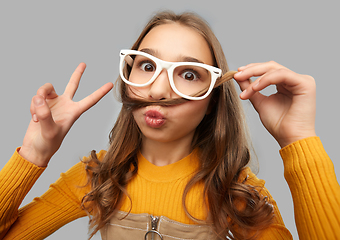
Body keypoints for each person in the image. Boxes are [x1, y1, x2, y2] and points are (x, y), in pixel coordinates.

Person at [0, 10, 339, 240]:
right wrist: (33, 153)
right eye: (147, 66)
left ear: (212, 99)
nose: (159, 89)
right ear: (127, 76)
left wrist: (299, 139)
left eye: (189, 74)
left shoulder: (235, 191)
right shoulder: (96, 178)